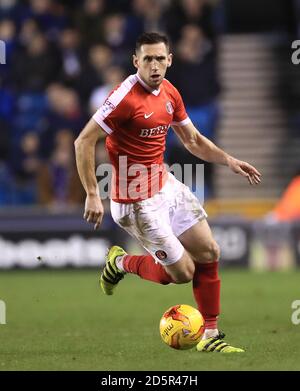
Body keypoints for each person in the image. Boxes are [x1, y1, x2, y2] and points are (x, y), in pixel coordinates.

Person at [74, 32, 261, 353]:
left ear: (169, 60)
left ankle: (210, 337)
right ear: (136, 62)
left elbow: (192, 140)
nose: (155, 65)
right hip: (135, 202)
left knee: (209, 252)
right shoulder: (124, 98)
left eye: (160, 58)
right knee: (183, 273)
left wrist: (228, 160)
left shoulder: (170, 92)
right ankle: (120, 264)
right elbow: (83, 141)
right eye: (147, 59)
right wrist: (93, 193)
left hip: (166, 185)